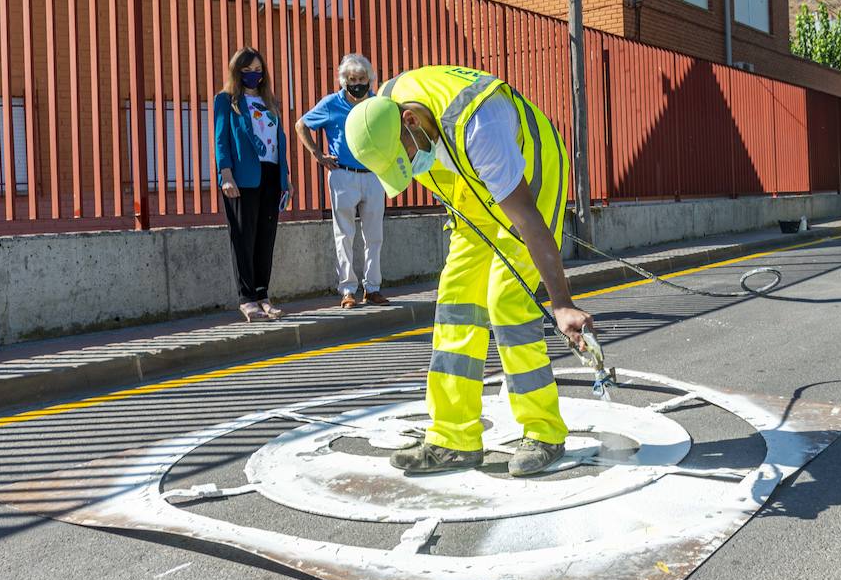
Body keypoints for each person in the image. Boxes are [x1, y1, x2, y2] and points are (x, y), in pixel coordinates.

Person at [345, 65, 593, 478]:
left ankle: (544, 431)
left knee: (506, 297)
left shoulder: (481, 126)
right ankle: (453, 439)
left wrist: (562, 303)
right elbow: (440, 161)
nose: (409, 166)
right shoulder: (384, 111)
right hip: (469, 178)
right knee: (457, 297)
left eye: (405, 157)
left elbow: (526, 219)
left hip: (530, 167)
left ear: (410, 120)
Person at [297, 54, 388, 309]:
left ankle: (372, 288)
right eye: (352, 79)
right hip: (342, 174)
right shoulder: (331, 104)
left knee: (374, 235)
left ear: (369, 80)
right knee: (344, 234)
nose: (357, 83)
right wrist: (318, 154)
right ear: (343, 80)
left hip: (373, 175)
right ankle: (347, 290)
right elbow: (301, 124)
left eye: (362, 79)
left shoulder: (376, 103)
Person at [213, 47, 291, 321]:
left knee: (265, 237)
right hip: (242, 177)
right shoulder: (226, 100)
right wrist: (226, 175)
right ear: (237, 72)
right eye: (247, 71)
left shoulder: (270, 101)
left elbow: (278, 141)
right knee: (243, 237)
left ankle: (263, 295)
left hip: (271, 175)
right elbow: (221, 139)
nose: (253, 75)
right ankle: (246, 298)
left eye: (258, 70)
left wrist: (286, 178)